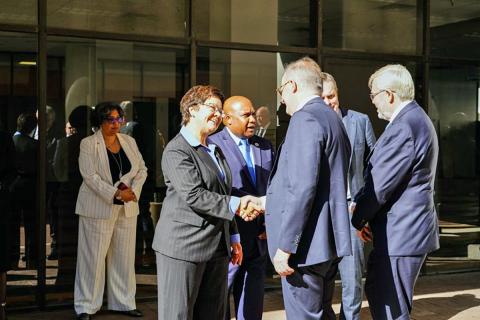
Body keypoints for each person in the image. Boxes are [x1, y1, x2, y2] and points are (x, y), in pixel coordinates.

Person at [152, 85, 263, 320]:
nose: (218, 115)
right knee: (178, 314)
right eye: (212, 108)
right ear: (192, 110)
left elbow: (222, 192)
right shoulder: (177, 150)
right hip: (183, 248)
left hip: (217, 248)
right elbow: (194, 195)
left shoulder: (214, 149)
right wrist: (238, 204)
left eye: (220, 110)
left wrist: (233, 237)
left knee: (214, 315)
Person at [262, 57, 352, 319]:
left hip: (306, 249)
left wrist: (285, 247)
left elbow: (302, 188)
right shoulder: (332, 119)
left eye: (281, 92)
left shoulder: (305, 119)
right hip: (326, 244)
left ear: (291, 86)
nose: (281, 100)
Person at [351, 64, 439, 320]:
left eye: (373, 94)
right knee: (383, 296)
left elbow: (380, 186)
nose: (373, 102)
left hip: (402, 234)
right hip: (403, 232)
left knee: (390, 307)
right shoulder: (414, 118)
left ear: (389, 94)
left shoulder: (404, 125)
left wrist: (358, 218)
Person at [74, 102, 148, 320]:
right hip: (98, 206)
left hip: (127, 206)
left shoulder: (129, 141)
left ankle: (123, 303)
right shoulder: (89, 144)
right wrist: (116, 193)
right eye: (110, 119)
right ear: (100, 121)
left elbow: (142, 169)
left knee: (124, 258)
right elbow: (89, 176)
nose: (116, 124)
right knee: (93, 259)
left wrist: (132, 192)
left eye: (119, 119)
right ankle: (86, 306)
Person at [210, 96, 274, 320]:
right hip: (229, 234)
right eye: (245, 115)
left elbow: (272, 186)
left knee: (253, 295)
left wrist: (268, 220)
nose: (253, 119)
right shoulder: (212, 145)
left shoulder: (264, 146)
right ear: (227, 119)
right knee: (219, 297)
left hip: (259, 235)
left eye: (253, 113)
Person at [321, 72, 376, 320]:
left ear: (338, 94)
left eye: (331, 96)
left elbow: (373, 165)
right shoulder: (310, 125)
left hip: (351, 208)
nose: (327, 102)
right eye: (321, 97)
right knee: (322, 274)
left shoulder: (359, 121)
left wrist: (363, 203)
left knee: (352, 277)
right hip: (322, 211)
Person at [53, 105, 91, 288]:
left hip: (68, 193)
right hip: (90, 195)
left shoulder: (64, 143)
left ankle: (65, 278)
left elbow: (57, 171)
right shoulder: (96, 144)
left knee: (67, 237)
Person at [119, 101, 155, 268]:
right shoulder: (145, 128)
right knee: (144, 215)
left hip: (135, 179)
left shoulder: (130, 129)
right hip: (145, 177)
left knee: (138, 216)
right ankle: (149, 251)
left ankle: (139, 254)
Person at [10, 113, 38, 269]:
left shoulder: (10, 142)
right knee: (32, 224)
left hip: (12, 187)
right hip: (31, 187)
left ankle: (13, 258)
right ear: (33, 127)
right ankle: (31, 258)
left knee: (12, 224)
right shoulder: (35, 144)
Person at [0, 128, 15, 320]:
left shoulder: (3, 138)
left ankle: (2, 305)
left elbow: (12, 169)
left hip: (0, 202)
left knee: (1, 257)